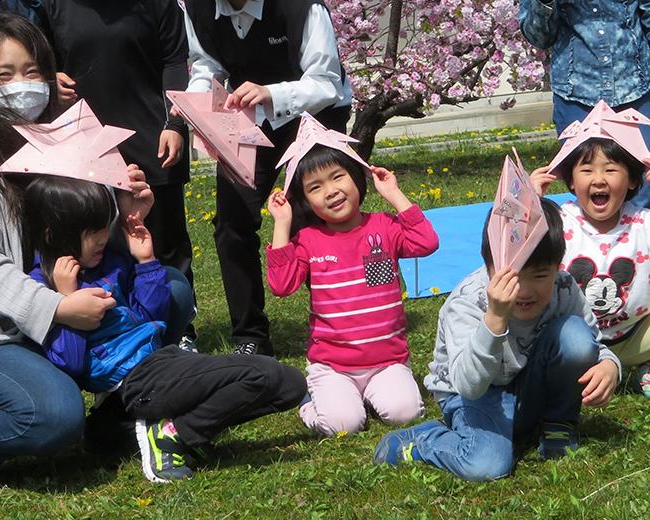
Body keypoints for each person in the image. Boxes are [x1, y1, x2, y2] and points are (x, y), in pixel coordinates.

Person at [0, 12, 155, 484]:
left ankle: (117, 422)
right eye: (4, 75)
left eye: (32, 72)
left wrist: (128, 211)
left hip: (71, 298)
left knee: (170, 288)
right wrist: (59, 307)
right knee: (54, 415)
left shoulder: (71, 140)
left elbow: (95, 239)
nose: (21, 85)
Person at [24, 175, 308, 483]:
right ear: (53, 236)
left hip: (161, 359)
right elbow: (71, 363)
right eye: (92, 232)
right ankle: (173, 434)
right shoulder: (42, 287)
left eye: (105, 226)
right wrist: (65, 301)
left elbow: (154, 315)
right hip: (132, 382)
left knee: (291, 384)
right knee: (266, 375)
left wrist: (145, 261)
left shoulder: (112, 261)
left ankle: (163, 429)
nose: (103, 237)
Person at [373, 198, 621, 481]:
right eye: (511, 276)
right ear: (487, 260)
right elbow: (469, 385)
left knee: (575, 336)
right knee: (487, 464)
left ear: (557, 266)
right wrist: (494, 319)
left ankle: (559, 423)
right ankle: (423, 441)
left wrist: (609, 365)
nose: (524, 291)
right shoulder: (468, 302)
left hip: (527, 387)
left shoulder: (563, 288)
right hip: (473, 395)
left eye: (540, 275)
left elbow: (593, 342)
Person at [183, 0, 353, 356]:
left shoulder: (301, 8)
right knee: (231, 224)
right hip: (246, 119)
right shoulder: (198, 9)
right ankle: (251, 338)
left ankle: (343, 326)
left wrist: (272, 93)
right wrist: (194, 100)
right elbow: (206, 64)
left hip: (314, 113)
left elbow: (326, 83)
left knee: (316, 219)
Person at [39, 0, 198, 345]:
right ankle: (112, 335)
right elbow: (38, 58)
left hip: (152, 137)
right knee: (98, 249)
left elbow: (174, 61)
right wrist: (49, 78)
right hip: (85, 146)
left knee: (164, 239)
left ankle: (180, 331)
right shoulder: (53, 5)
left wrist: (175, 123)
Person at [266, 140, 439, 436]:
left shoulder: (385, 226)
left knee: (405, 413)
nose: (331, 191)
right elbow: (282, 286)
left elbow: (427, 242)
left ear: (357, 178)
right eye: (315, 187)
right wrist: (282, 224)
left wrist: (394, 194)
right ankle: (312, 402)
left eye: (338, 176)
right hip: (333, 366)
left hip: (388, 362)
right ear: (306, 200)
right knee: (342, 424)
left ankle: (368, 395)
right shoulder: (308, 240)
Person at [531, 135, 650, 397]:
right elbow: (514, 253)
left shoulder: (644, 222)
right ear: (571, 180)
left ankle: (637, 369)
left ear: (631, 179)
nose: (598, 179)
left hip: (636, 336)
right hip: (575, 341)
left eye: (610, 169)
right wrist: (528, 206)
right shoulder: (558, 223)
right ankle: (604, 371)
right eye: (587, 170)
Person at [518, 0, 650, 205]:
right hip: (576, 93)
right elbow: (538, 37)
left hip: (635, 88)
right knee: (590, 189)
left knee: (643, 187)